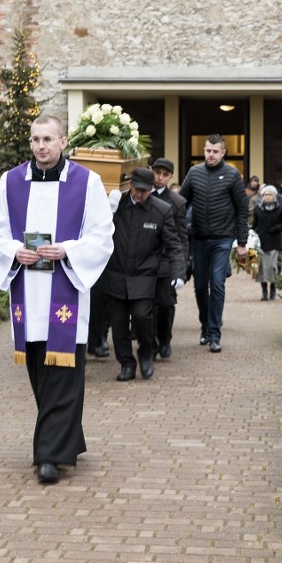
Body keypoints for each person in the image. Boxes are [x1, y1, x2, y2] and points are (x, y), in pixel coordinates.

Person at [0, 115, 114, 484]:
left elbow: (103, 235)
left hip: (66, 291)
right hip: (28, 291)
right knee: (41, 374)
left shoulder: (86, 182)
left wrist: (68, 250)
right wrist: (13, 251)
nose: (42, 146)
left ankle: (49, 456)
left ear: (63, 142)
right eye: (36, 139)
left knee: (64, 376)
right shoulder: (10, 182)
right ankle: (66, 439)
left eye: (48, 139)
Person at [99, 167, 186, 381]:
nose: (140, 194)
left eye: (145, 191)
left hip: (144, 275)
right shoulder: (115, 205)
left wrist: (179, 272)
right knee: (118, 324)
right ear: (130, 186)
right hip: (116, 273)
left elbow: (174, 245)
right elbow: (95, 231)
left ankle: (147, 352)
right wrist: (106, 212)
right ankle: (126, 363)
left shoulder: (162, 210)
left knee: (142, 316)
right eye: (137, 190)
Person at [179, 134, 249, 354]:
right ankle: (205, 325)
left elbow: (242, 209)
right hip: (198, 238)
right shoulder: (194, 172)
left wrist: (242, 242)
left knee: (217, 283)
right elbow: (181, 202)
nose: (210, 155)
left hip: (222, 238)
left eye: (215, 151)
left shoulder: (232, 175)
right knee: (200, 286)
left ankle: (215, 334)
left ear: (223, 152)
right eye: (207, 150)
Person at [150, 157, 188, 360]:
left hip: (167, 259)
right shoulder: (142, 194)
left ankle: (165, 339)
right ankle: (152, 341)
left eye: (165, 175)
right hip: (146, 258)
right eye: (157, 173)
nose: (160, 178)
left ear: (171, 177)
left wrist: (181, 268)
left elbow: (182, 238)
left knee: (165, 303)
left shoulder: (177, 202)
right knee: (149, 305)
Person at [251, 185, 282, 301]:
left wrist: (275, 228)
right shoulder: (258, 208)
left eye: (270, 194)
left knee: (273, 266)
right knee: (262, 267)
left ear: (274, 196)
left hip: (274, 241)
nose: (267, 197)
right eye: (265, 194)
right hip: (261, 242)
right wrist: (250, 233)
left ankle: (273, 289)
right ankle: (264, 291)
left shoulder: (280, 208)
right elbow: (254, 224)